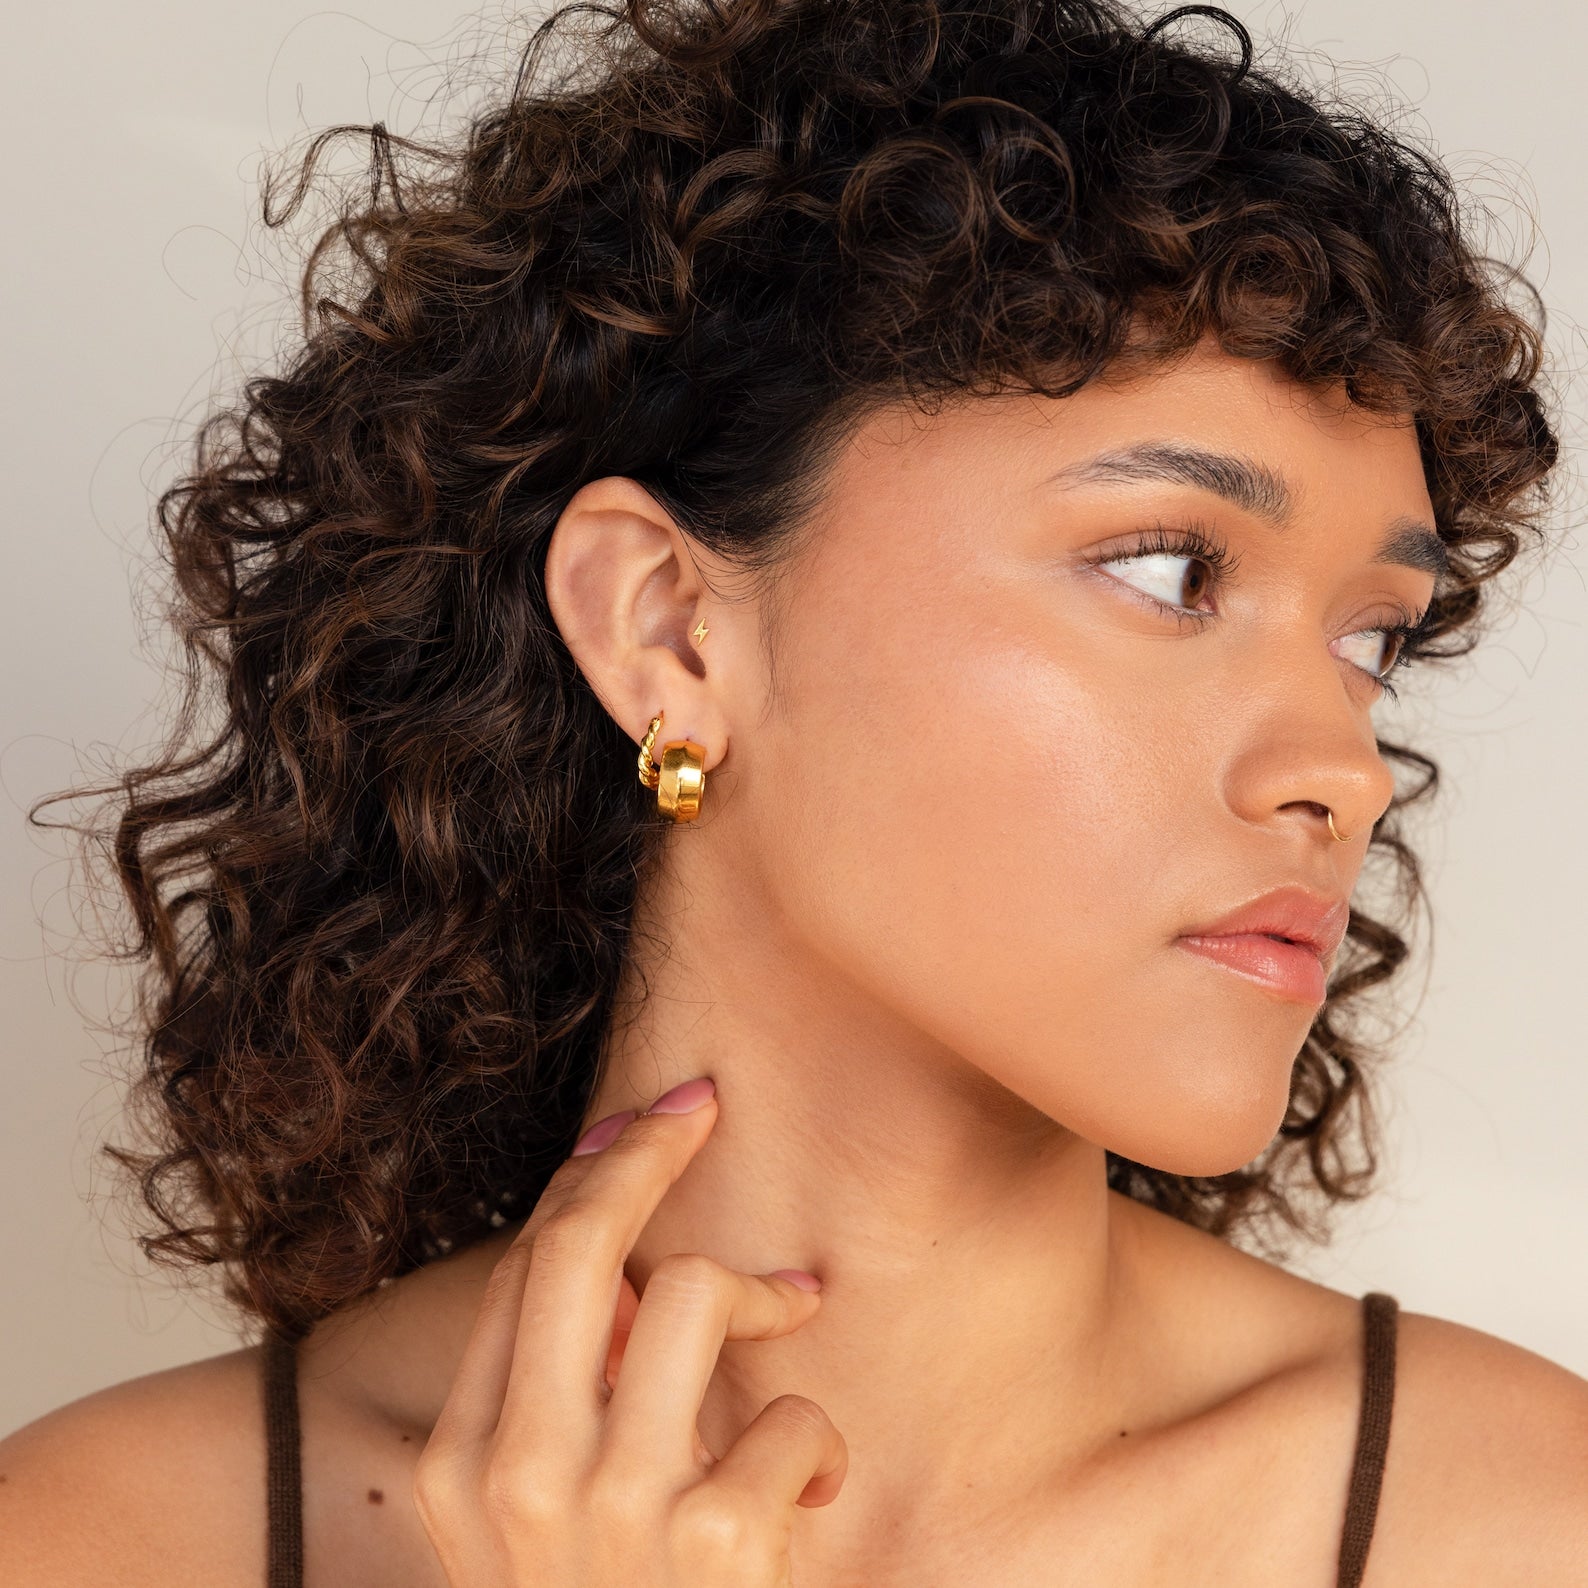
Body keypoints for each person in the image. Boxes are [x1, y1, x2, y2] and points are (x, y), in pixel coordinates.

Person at [2, 0, 1585, 1582]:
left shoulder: (1522, 1523)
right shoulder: (101, 1543)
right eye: (1172, 571)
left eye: (1372, 638)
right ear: (667, 629)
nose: (1342, 772)